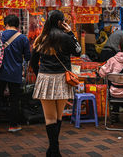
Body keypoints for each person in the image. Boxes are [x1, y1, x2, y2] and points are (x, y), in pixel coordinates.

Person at [30, 10, 81, 157]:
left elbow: (33, 62)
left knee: (50, 118)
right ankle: (54, 149)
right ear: (61, 23)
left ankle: (53, 149)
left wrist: (40, 74)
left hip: (45, 78)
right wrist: (71, 33)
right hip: (62, 79)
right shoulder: (66, 38)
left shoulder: (41, 38)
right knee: (59, 116)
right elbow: (78, 51)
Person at [0, 15, 31, 134]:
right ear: (18, 25)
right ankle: (13, 125)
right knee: (14, 99)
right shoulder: (23, 38)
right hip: (15, 73)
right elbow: (28, 56)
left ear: (5, 24)